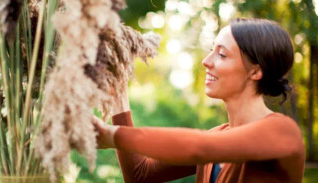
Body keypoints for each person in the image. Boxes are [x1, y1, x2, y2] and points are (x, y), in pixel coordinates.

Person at [93, 18, 305, 183]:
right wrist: (117, 90)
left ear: (256, 71)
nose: (206, 61)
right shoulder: (216, 137)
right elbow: (139, 175)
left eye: (221, 54)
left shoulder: (282, 131)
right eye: (211, 50)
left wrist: (115, 136)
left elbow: (200, 147)